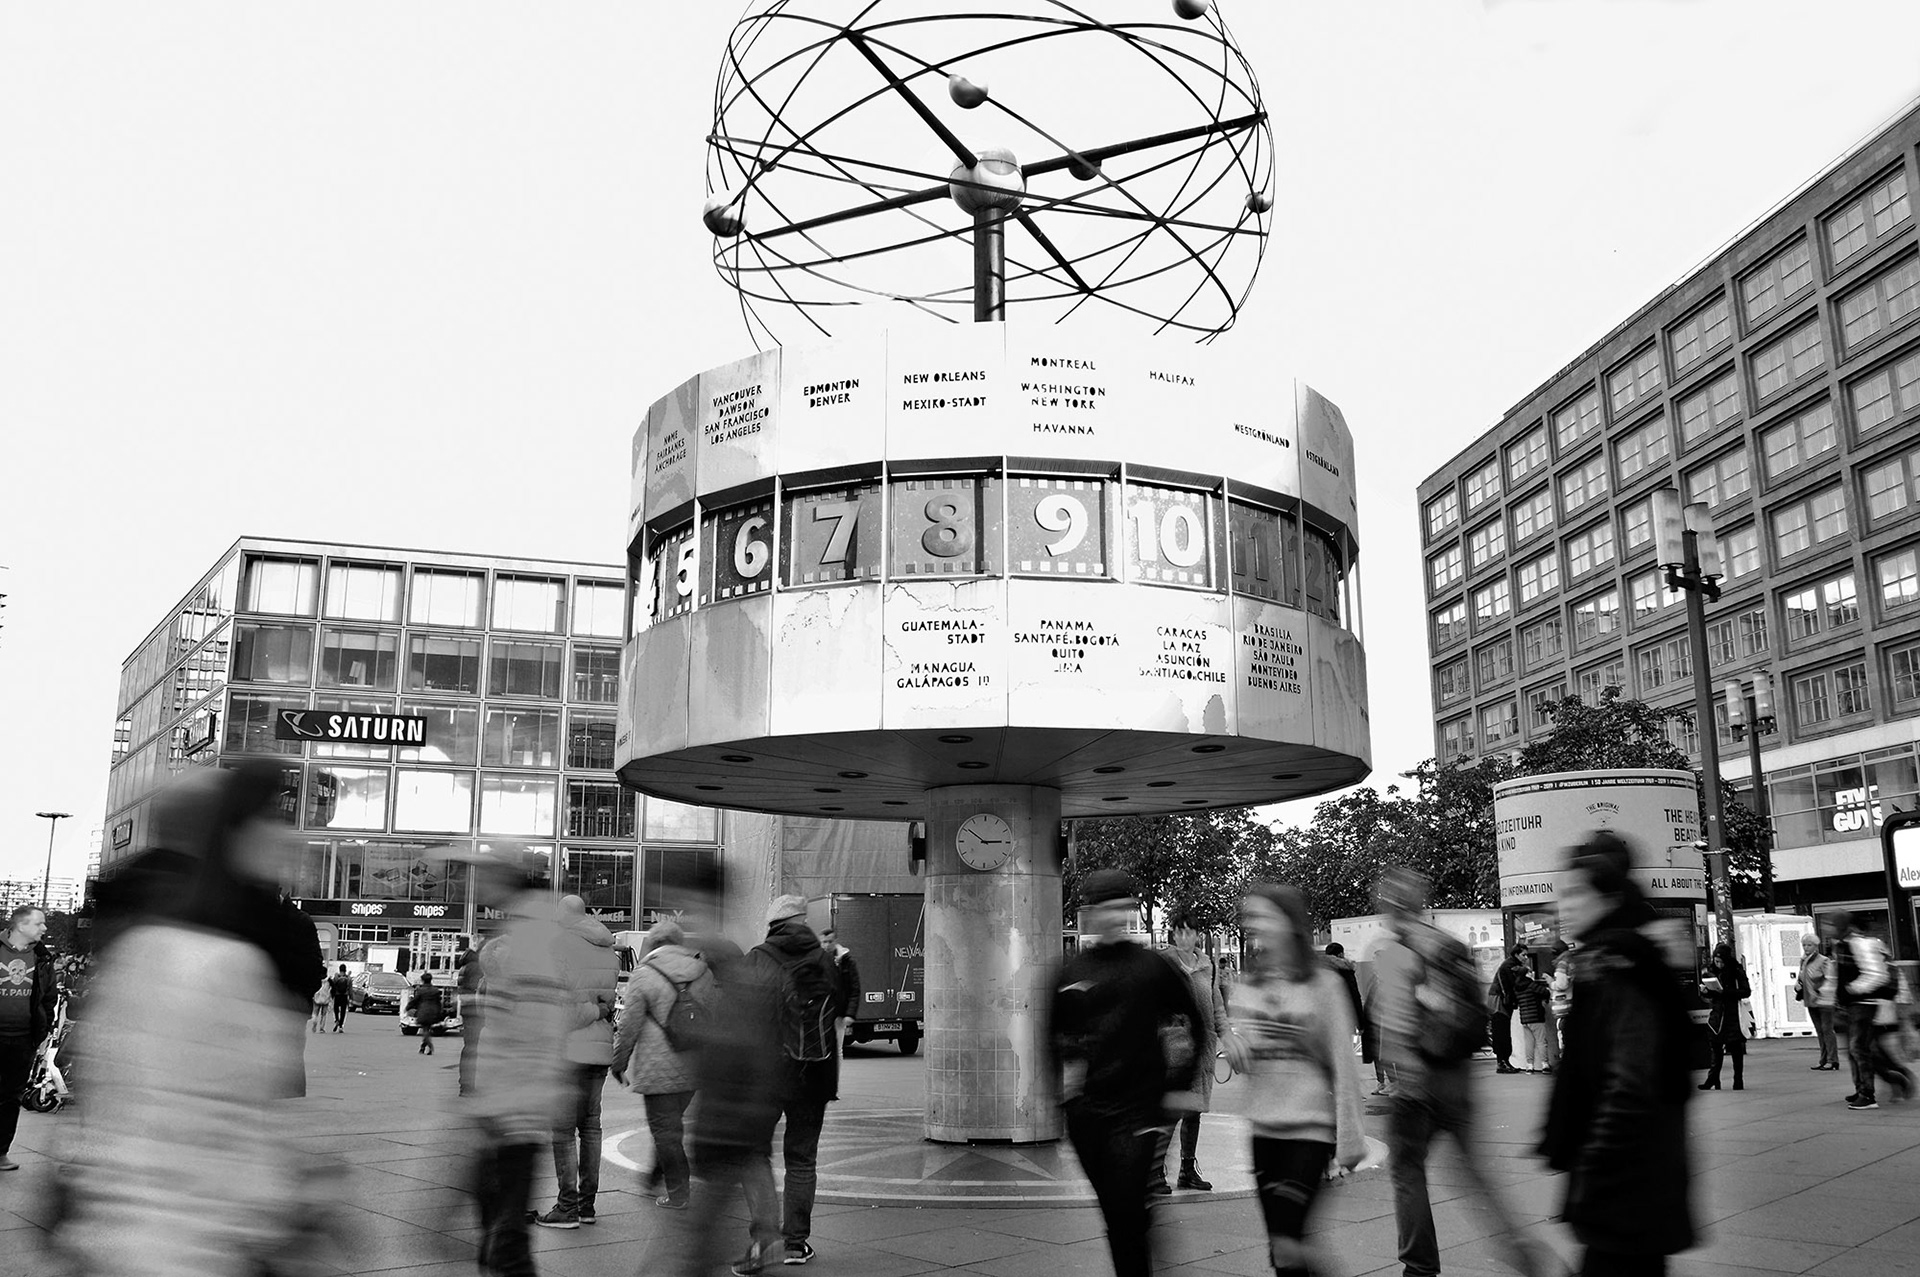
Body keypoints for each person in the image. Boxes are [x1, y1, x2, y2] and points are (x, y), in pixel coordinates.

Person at [51, 764, 331, 1275]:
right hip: (174, 1244)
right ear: (229, 834)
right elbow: (185, 1124)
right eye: (272, 819)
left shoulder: (163, 937)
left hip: (156, 1231)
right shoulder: (205, 955)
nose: (291, 838)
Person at [1373, 866, 1549, 1277]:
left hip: (1421, 1079)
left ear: (1392, 906)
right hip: (1458, 1077)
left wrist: (1405, 1075)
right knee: (1474, 1172)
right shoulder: (1445, 945)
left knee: (1406, 1169)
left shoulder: (1399, 950)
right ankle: (1518, 1245)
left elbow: (1398, 1018)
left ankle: (1419, 1266)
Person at [1542, 833, 1695, 1276]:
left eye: (1574, 894)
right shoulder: (1610, 958)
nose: (1563, 907)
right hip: (1634, 1182)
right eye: (1560, 895)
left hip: (1626, 1183)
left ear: (1607, 898)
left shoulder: (1619, 965)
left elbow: (1631, 1081)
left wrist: (1594, 1163)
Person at [1048, 870, 1204, 1277]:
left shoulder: (1152, 966)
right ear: (1091, 913)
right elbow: (1054, 1032)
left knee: (1126, 1208)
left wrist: (1178, 1087)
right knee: (1117, 1215)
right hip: (1088, 1117)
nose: (1119, 917)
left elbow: (1194, 1019)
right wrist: (1068, 1093)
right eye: (1110, 909)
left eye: (1125, 908)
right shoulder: (1071, 971)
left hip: (1139, 1112)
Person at [1221, 884, 1366, 1277]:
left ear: (1290, 923)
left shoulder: (1324, 986)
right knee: (1282, 1251)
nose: (1257, 926)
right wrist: (1239, 1051)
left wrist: (1351, 1139)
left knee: (1287, 1241)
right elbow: (1253, 1056)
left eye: (1265, 916)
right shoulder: (1248, 987)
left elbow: (1343, 1064)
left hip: (1309, 1130)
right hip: (1264, 1130)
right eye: (1252, 918)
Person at [464, 855, 569, 1277]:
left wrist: (500, 1104)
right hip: (509, 1104)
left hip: (517, 1108)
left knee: (506, 1239)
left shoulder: (526, 944)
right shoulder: (524, 936)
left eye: (483, 875)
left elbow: (534, 1034)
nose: (477, 884)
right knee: (500, 1228)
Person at [739, 895, 843, 1267]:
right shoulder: (825, 959)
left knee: (754, 1153)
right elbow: (839, 1012)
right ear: (802, 922)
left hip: (765, 1075)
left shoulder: (757, 958)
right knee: (801, 1160)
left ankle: (764, 1238)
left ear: (772, 925)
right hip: (813, 1073)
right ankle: (796, 1243)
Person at [612, 918, 713, 1211]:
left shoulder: (644, 974)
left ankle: (678, 1193)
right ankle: (655, 1176)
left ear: (654, 944)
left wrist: (618, 1063)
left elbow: (628, 1026)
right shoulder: (702, 971)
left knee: (665, 1131)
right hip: (695, 1065)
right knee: (670, 1128)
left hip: (658, 1067)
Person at [535, 895, 621, 1228]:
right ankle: (587, 1206)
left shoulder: (559, 946)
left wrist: (590, 1009)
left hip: (567, 1051)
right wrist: (598, 1010)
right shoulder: (608, 950)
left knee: (563, 1132)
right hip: (599, 1049)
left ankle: (567, 1207)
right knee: (591, 1128)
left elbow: (565, 1012)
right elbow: (606, 1002)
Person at [1150, 913, 1230, 1194]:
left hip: (1203, 1047)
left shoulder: (1208, 966)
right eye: (1179, 932)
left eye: (1190, 932)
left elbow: (1217, 1006)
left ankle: (1187, 1169)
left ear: (1197, 935)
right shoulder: (1163, 964)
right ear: (1172, 935)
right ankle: (1156, 1170)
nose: (1185, 937)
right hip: (1171, 1046)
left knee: (1194, 1110)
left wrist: (1228, 1038)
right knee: (1171, 1108)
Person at [1829, 911, 1912, 1110]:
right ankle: (1881, 1084)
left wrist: (1852, 990)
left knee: (1865, 1049)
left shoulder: (1862, 945)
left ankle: (1886, 1083)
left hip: (1871, 1004)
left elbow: (1880, 975)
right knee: (1861, 1049)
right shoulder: (1847, 946)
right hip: (1865, 1005)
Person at [0, 904, 58, 1172]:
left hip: (22, 1039)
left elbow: (48, 998)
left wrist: (43, 1031)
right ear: (21, 925)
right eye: (39, 923)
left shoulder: (43, 958)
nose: (44, 928)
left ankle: (0, 1153)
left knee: (11, 1098)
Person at [1698, 943, 1751, 1091]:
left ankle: (1738, 1079)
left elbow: (1745, 991)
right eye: (1716, 961)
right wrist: (1705, 991)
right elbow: (1708, 994)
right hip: (1717, 1015)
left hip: (1733, 1014)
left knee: (1735, 1048)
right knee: (1715, 1046)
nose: (1719, 964)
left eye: (1721, 962)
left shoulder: (1736, 970)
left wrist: (1725, 992)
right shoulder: (1710, 971)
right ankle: (1713, 1078)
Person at [1797, 934, 1838, 1070]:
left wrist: (1823, 992)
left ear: (1816, 946)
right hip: (1811, 999)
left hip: (1824, 1000)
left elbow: (1830, 979)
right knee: (1820, 1031)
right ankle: (1823, 1059)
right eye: (1804, 945)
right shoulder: (1803, 961)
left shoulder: (1824, 960)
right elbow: (1801, 977)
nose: (1806, 948)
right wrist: (1798, 985)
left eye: (1809, 945)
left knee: (1827, 1030)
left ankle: (1832, 1060)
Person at [819, 926, 861, 1048]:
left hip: (839, 1014)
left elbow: (854, 989)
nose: (827, 945)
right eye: (824, 942)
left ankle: (837, 1067)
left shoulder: (847, 962)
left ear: (835, 941)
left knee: (837, 1050)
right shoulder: (816, 961)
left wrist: (850, 1014)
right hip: (821, 1014)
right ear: (820, 943)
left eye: (830, 942)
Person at [1490, 946, 1527, 1074]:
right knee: (1501, 1031)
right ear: (1516, 955)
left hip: (1501, 1000)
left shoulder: (1510, 965)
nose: (1526, 958)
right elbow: (1511, 985)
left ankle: (1504, 1061)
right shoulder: (1509, 966)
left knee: (1502, 1031)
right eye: (1524, 955)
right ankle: (1502, 1062)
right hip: (1499, 1002)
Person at [455, 933, 484, 1096]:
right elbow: (479, 991)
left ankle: (466, 1085)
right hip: (475, 1013)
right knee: (472, 1050)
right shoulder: (475, 967)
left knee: (470, 1049)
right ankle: (467, 1086)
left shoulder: (466, 965)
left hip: (469, 1011)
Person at [1515, 961, 1551, 1074]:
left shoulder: (1517, 987)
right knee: (1541, 1041)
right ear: (1526, 974)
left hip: (1525, 1019)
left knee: (1529, 1043)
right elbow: (1545, 992)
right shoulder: (1531, 985)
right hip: (1536, 1017)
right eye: (1530, 972)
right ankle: (1545, 1064)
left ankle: (1529, 1066)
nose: (1532, 973)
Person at [411, 972, 447, 1055]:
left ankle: (430, 1046)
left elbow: (415, 1000)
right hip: (433, 1011)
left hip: (424, 1011)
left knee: (425, 1030)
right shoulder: (435, 990)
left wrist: (408, 1007)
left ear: (423, 980)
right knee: (427, 1029)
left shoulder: (420, 990)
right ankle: (422, 1047)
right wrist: (440, 1012)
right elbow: (439, 1002)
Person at [327, 963, 354, 1032]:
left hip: (337, 995)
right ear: (345, 970)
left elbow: (332, 985)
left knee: (336, 1009)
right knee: (343, 1011)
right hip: (344, 996)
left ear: (339, 969)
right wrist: (351, 997)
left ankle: (336, 1020)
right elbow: (350, 989)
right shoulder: (348, 978)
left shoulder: (336, 976)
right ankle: (341, 1026)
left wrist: (331, 995)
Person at [309, 968, 333, 1034]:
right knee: (324, 1014)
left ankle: (314, 1022)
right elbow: (333, 988)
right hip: (325, 999)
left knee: (315, 1012)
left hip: (317, 998)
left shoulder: (316, 979)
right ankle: (322, 1028)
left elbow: (312, 987)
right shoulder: (329, 980)